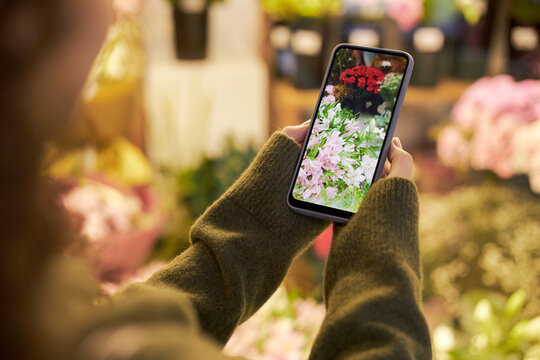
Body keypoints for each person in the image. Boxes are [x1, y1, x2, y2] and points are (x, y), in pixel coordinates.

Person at [0, 0, 432, 359]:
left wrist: (263, 215)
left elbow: (135, 319)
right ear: (27, 30)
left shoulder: (33, 292)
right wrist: (379, 237)